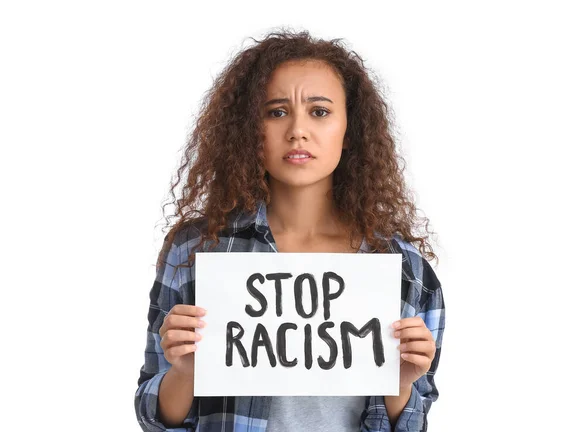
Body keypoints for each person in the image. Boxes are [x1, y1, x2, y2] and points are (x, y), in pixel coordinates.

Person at [135, 29, 445, 432]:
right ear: (250, 129)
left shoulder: (403, 268)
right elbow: (155, 420)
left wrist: (400, 383)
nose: (298, 130)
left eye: (319, 111)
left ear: (349, 129)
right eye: (276, 111)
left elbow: (411, 425)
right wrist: (187, 372)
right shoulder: (197, 249)